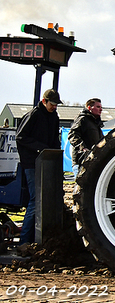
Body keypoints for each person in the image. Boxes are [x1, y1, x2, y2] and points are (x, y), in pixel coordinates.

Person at [15, 88, 62, 244]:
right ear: (44, 101)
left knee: (46, 199)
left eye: (56, 104)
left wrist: (55, 151)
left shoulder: (54, 116)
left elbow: (55, 138)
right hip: (31, 162)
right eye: (52, 104)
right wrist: (40, 148)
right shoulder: (34, 115)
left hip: (46, 160)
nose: (54, 107)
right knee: (36, 200)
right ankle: (24, 241)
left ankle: (39, 238)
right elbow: (21, 137)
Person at [68, 98, 104, 179]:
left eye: (101, 107)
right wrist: (82, 148)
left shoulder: (96, 124)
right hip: (81, 162)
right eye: (98, 107)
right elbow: (72, 135)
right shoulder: (82, 119)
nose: (101, 109)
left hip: (92, 161)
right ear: (89, 108)